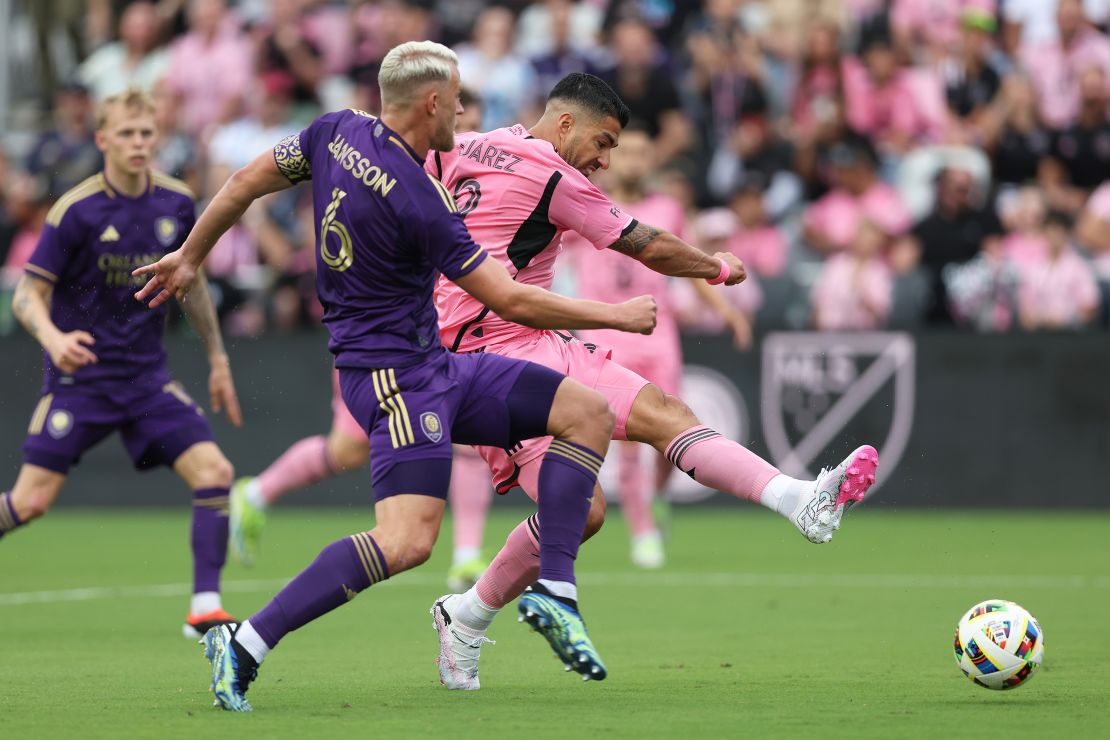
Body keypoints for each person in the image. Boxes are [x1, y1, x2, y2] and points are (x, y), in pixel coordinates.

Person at [134, 42, 658, 710]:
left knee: (585, 410)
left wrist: (189, 256)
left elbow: (242, 182)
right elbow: (513, 299)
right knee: (406, 541)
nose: (465, 110)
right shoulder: (421, 199)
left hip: (431, 364)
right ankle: (243, 645)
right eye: (459, 98)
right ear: (433, 103)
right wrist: (611, 314)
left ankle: (556, 592)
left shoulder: (333, 132)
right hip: (394, 379)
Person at [427, 72, 880, 691]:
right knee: (584, 510)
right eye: (603, 141)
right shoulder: (557, 176)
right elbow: (648, 245)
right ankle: (472, 614)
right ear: (565, 124)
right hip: (488, 361)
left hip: (535, 341)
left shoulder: (472, 143)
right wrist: (716, 267)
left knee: (656, 425)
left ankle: (799, 500)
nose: (606, 159)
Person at [226, 87, 496, 593]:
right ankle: (257, 493)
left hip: (436, 335)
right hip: (379, 342)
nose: (466, 136)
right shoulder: (393, 172)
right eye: (462, 123)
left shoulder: (470, 182)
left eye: (476, 126)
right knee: (348, 449)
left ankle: (466, 555)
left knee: (464, 438)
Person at [0, 88, 243, 641]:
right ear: (102, 139)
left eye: (146, 132)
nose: (138, 143)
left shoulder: (178, 204)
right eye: (127, 134)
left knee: (216, 474)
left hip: (146, 380)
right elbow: (25, 296)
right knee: (31, 502)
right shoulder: (75, 211)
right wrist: (53, 337)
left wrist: (217, 357)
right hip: (80, 379)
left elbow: (193, 283)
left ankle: (205, 610)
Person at [563, 124, 753, 568]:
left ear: (651, 161)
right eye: (625, 153)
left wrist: (726, 311)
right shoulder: (584, 200)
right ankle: (643, 531)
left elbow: (689, 263)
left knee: (672, 428)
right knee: (629, 435)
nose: (633, 162)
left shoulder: (668, 208)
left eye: (642, 154)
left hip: (658, 333)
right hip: (607, 331)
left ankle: (660, 494)